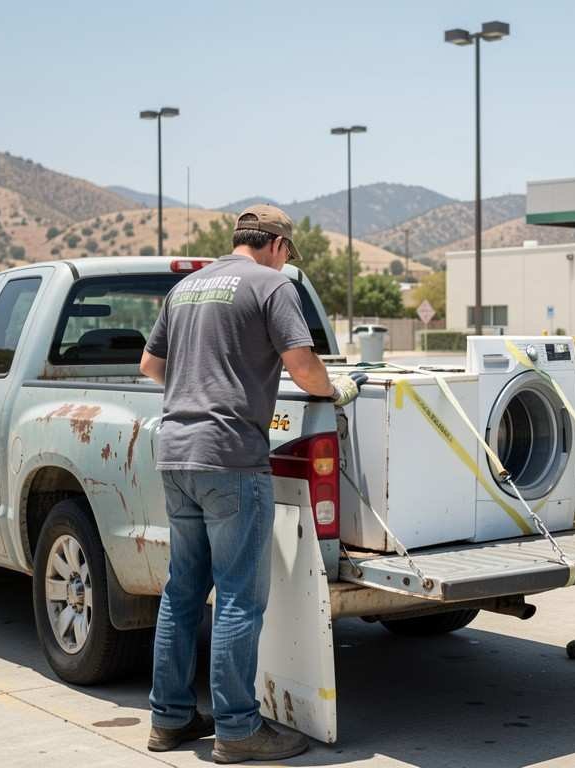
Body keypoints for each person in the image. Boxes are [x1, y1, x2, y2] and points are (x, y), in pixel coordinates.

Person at [139, 204, 360, 761]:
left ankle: (168, 721)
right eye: (288, 254)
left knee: (183, 591)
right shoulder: (271, 286)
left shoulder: (188, 288)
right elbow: (303, 366)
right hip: (232, 458)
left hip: (176, 453)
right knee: (238, 596)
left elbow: (150, 365)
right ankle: (238, 731)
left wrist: (199, 386)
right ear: (279, 245)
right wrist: (333, 392)